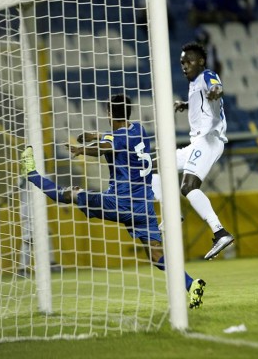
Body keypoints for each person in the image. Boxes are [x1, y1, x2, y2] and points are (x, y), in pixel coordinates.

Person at [21, 94, 206, 309]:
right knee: (156, 255)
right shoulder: (139, 130)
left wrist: (82, 149)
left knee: (71, 194)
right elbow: (114, 140)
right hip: (143, 204)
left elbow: (107, 146)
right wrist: (93, 136)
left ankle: (31, 173)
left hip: (119, 202)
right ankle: (192, 285)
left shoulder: (114, 139)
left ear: (109, 113)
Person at [153, 42, 235, 261]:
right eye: (182, 62)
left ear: (200, 62)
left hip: (209, 140)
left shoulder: (208, 75)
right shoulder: (194, 84)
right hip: (196, 143)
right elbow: (201, 101)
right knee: (154, 165)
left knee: (188, 187)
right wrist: (185, 104)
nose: (184, 66)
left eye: (188, 61)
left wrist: (216, 91)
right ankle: (171, 214)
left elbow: (216, 87)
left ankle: (220, 233)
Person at [17, 177, 61, 277]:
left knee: (47, 234)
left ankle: (51, 263)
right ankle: (22, 268)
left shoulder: (42, 173)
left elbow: (52, 189)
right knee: (28, 239)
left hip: (39, 210)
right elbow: (16, 189)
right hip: (28, 212)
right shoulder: (22, 176)